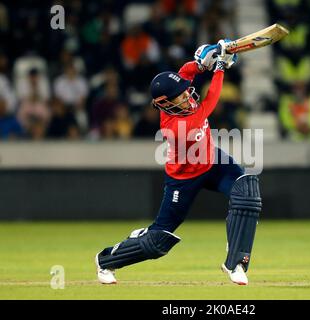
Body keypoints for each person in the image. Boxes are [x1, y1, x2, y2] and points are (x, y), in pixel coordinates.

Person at [95, 40, 262, 286]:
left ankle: (235, 262)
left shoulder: (178, 95)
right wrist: (219, 68)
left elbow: (185, 72)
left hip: (212, 160)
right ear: (165, 103)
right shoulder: (176, 127)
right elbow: (211, 101)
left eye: (185, 90)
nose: (187, 94)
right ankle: (106, 260)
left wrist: (203, 62)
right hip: (184, 178)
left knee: (247, 191)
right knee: (157, 241)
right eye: (180, 95)